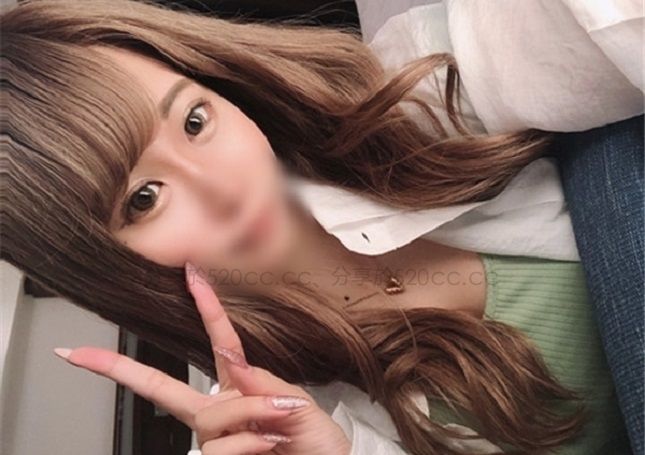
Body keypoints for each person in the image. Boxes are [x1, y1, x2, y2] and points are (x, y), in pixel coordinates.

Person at [0, 1, 637, 454]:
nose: (220, 186)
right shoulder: (268, 421)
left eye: (195, 121)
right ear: (105, 261)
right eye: (143, 199)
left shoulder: (398, 101)